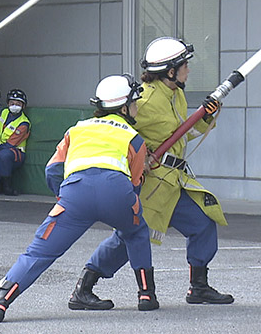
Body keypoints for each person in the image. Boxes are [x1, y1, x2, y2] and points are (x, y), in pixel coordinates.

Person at [70, 37, 233, 306]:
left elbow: (180, 136)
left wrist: (205, 118)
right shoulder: (143, 101)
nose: (188, 70)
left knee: (203, 224)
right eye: (185, 66)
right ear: (171, 71)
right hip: (151, 186)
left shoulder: (176, 95)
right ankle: (84, 287)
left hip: (175, 182)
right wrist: (137, 156)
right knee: (128, 239)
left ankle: (199, 287)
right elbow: (110, 131)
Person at [0, 75, 156, 323]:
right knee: (136, 231)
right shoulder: (134, 137)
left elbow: (52, 170)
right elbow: (136, 183)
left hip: (75, 194)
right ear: (124, 107)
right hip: (116, 192)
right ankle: (146, 295)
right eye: (135, 103)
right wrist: (127, 205)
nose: (137, 108)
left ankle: (0, 302)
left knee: (39, 252)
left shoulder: (76, 129)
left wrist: (64, 198)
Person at [0, 89, 30, 196]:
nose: (14, 106)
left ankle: (7, 186)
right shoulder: (4, 113)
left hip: (14, 153)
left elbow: (10, 144)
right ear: (8, 103)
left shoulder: (23, 123)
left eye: (18, 104)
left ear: (23, 106)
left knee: (5, 154)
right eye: (12, 103)